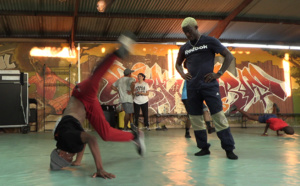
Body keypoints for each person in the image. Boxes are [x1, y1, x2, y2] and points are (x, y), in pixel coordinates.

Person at [50, 32, 146, 179]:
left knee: (95, 78)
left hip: (81, 95)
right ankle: (135, 135)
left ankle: (117, 53)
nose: (68, 162)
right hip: (87, 107)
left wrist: (99, 168)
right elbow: (80, 140)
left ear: (62, 153)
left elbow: (90, 139)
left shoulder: (66, 139)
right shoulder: (66, 142)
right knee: (106, 134)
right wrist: (77, 161)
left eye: (66, 161)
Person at [175, 17, 238, 160]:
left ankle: (229, 149)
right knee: (196, 119)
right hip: (192, 88)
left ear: (196, 27)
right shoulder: (185, 47)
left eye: (189, 31)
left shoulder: (210, 41)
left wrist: (219, 73)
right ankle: (203, 148)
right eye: (185, 32)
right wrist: (183, 74)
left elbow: (228, 56)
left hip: (209, 86)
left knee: (218, 116)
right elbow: (178, 64)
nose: (187, 35)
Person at [229, 104, 294, 136]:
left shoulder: (286, 124)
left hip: (274, 117)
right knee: (250, 117)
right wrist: (265, 132)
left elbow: (278, 126)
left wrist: (278, 133)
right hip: (267, 118)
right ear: (285, 132)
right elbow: (268, 124)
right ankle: (237, 108)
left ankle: (274, 107)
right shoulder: (275, 127)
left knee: (273, 114)